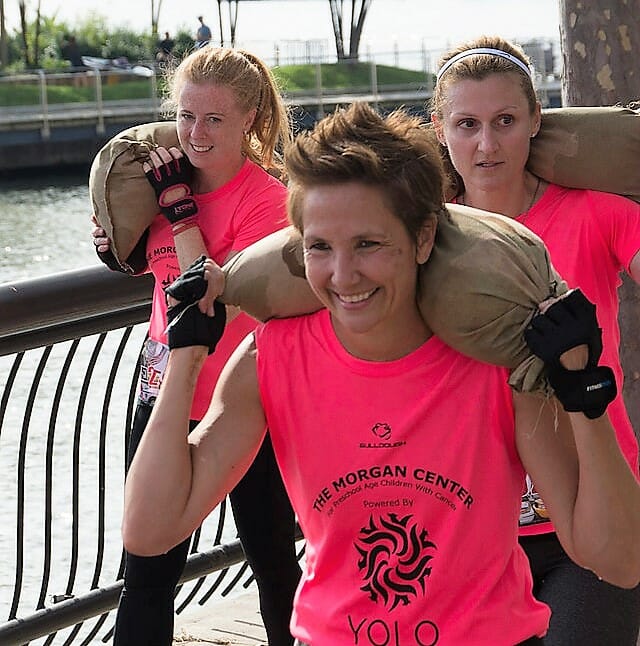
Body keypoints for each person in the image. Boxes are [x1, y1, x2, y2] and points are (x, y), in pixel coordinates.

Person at [121, 101, 640, 645]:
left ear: (422, 238)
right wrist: (186, 357)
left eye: (368, 244)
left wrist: (585, 396)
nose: (344, 277)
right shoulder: (269, 358)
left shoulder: (496, 361)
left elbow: (617, 562)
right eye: (320, 247)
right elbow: (150, 530)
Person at [429, 35, 640, 645]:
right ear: (440, 128)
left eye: (505, 122)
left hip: (595, 508)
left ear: (535, 122)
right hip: (469, 528)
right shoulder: (418, 237)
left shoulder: (597, 214)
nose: (487, 144)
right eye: (466, 124)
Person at [91, 45, 301, 646]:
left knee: (274, 564)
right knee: (148, 571)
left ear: (250, 119)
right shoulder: (164, 185)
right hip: (162, 400)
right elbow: (153, 270)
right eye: (186, 116)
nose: (195, 133)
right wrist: (116, 246)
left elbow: (205, 296)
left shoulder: (269, 202)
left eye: (213, 119)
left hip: (243, 405)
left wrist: (182, 216)